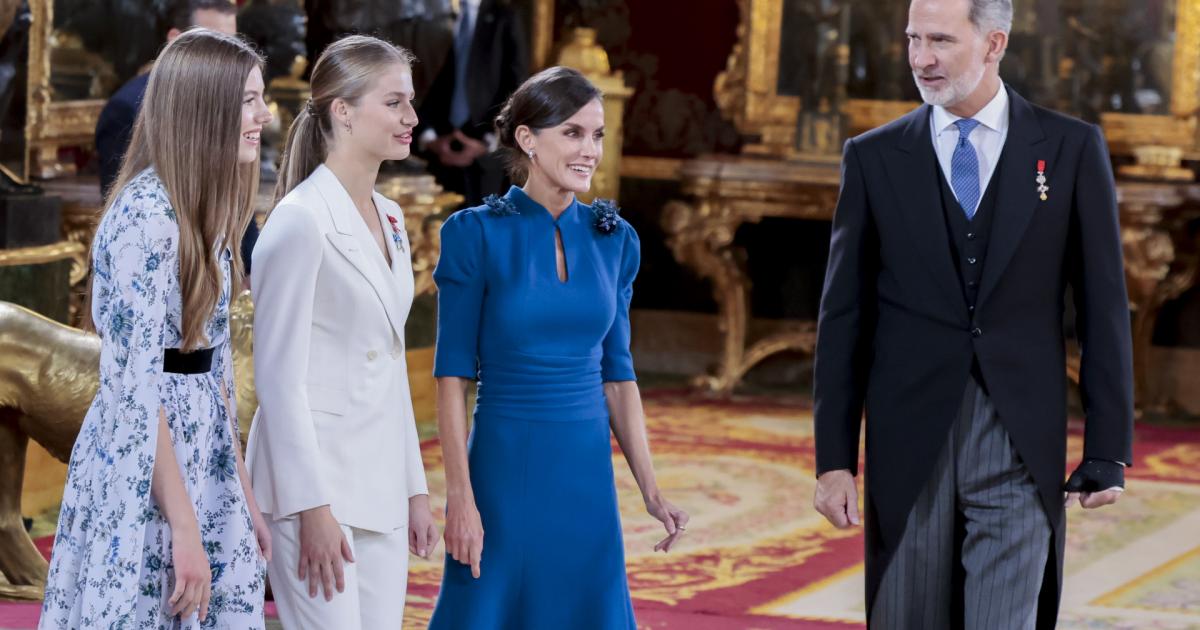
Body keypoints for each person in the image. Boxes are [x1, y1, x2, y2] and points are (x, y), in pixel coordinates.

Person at [811, 0, 1133, 628]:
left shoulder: (1070, 149)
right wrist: (833, 459)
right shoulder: (873, 158)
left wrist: (1107, 447)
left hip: (1019, 436)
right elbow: (843, 318)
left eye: (940, 40)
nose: (921, 58)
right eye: (912, 39)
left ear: (994, 44)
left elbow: (1103, 306)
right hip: (909, 441)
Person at [428, 66, 689, 629]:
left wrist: (651, 491)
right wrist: (461, 499)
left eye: (597, 134)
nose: (590, 149)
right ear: (527, 138)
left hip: (586, 477)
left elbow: (619, 377)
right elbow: (452, 376)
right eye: (572, 133)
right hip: (504, 468)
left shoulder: (615, 239)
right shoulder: (474, 234)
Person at [39, 28, 272, 628]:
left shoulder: (209, 210)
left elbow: (215, 369)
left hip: (203, 447)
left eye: (261, 97)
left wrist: (240, 498)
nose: (264, 116)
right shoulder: (146, 217)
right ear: (205, 105)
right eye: (249, 99)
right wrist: (185, 528)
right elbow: (138, 385)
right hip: (144, 456)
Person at [246, 34, 438, 629]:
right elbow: (277, 383)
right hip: (315, 486)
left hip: (379, 479)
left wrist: (414, 489)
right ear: (343, 111)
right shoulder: (299, 222)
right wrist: (311, 508)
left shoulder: (392, 216)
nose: (411, 118)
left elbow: (389, 361)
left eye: (410, 102)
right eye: (395, 102)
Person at [94, 0, 260, 273]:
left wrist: (250, 269)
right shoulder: (127, 110)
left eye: (232, 43)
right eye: (214, 43)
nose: (230, 58)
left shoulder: (230, 103)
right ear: (175, 41)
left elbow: (235, 195)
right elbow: (125, 211)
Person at [416, 0, 528, 206]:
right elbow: (423, 79)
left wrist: (489, 139)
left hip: (485, 151)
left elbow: (517, 83)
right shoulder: (428, 15)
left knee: (483, 230)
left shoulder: (504, 16)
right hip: (440, 147)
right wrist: (430, 138)